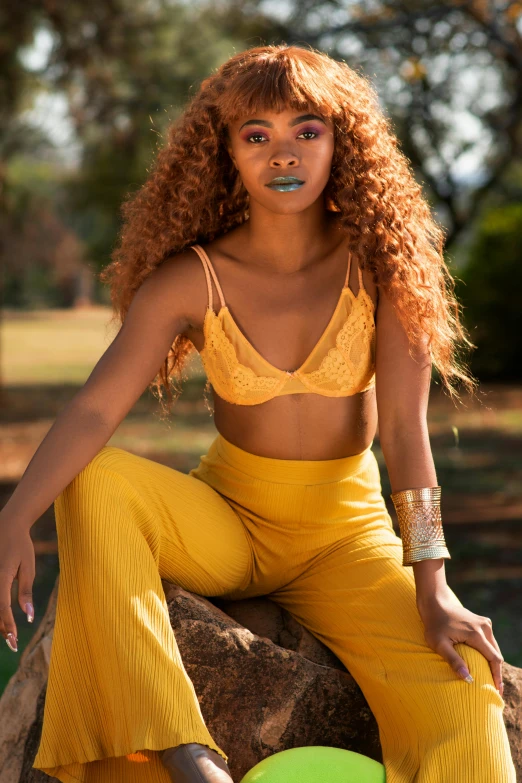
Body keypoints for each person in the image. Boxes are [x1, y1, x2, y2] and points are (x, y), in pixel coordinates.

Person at [0, 44, 515, 783]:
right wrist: (16, 511)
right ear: (226, 153)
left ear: (343, 143)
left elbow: (405, 433)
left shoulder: (384, 268)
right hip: (232, 519)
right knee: (93, 478)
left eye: (307, 130)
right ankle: (182, 748)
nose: (284, 154)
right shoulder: (193, 278)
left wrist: (434, 585)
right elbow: (94, 406)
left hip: (347, 536)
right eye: (257, 135)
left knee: (466, 683)